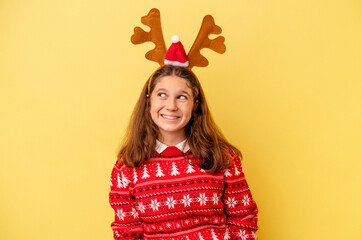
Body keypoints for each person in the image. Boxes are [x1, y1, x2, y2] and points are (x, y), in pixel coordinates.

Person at [109, 64, 259, 239]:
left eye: (181, 97)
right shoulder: (126, 167)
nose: (171, 106)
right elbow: (126, 233)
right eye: (162, 95)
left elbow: (243, 221)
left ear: (195, 106)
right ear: (149, 102)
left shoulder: (223, 157)